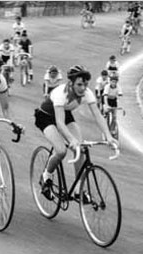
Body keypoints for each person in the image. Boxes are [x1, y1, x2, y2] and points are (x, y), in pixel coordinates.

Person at [34, 65, 118, 200]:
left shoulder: (87, 93)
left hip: (64, 114)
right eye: (79, 84)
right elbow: (59, 123)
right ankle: (46, 176)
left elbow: (98, 115)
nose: (83, 88)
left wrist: (108, 136)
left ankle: (79, 188)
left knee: (81, 150)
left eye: (85, 84)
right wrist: (71, 139)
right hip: (45, 116)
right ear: (71, 83)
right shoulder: (62, 93)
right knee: (61, 151)